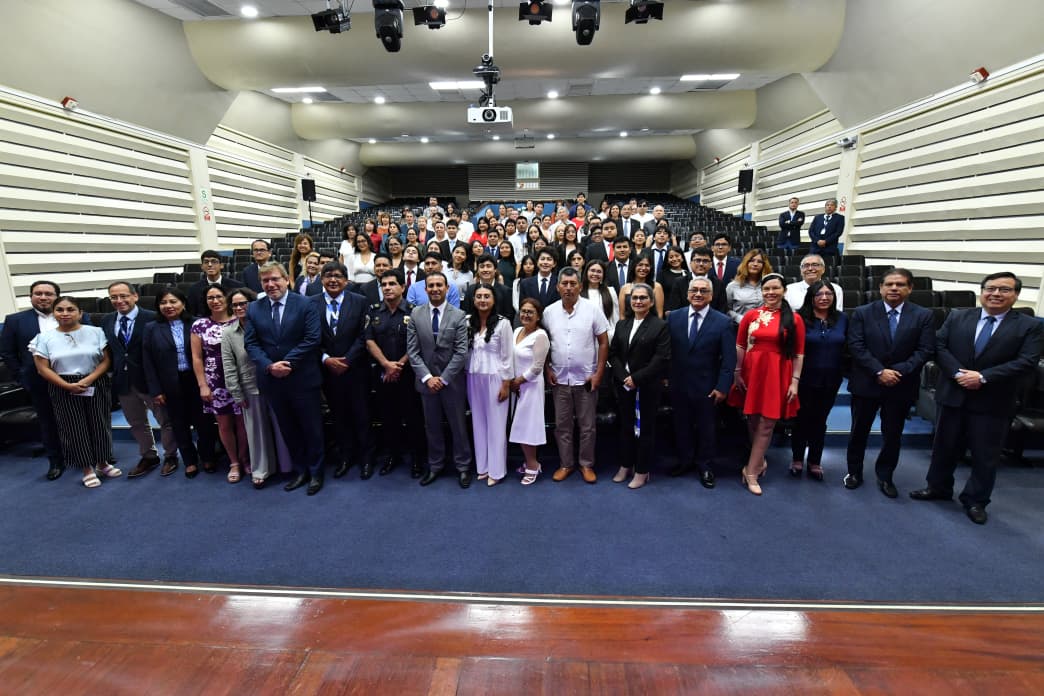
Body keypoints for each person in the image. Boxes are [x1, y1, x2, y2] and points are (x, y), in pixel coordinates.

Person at [911, 272, 1044, 525]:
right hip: (954, 392)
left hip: (994, 399)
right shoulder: (958, 316)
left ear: (1016, 295)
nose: (996, 294)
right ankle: (938, 487)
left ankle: (975, 500)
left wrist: (982, 377)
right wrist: (958, 373)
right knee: (944, 447)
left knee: (985, 455)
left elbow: (1027, 361)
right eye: (990, 288)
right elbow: (939, 346)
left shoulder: (1029, 326)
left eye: (1004, 290)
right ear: (982, 292)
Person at [844, 268, 934, 497]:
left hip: (900, 384)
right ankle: (854, 472)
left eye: (900, 284)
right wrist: (879, 371)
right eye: (889, 284)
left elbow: (925, 350)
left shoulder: (923, 315)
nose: (894, 288)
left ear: (910, 288)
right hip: (867, 382)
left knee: (893, 435)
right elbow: (856, 346)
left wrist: (896, 372)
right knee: (858, 431)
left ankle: (885, 476)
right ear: (881, 288)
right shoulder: (863, 312)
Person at [245, 262, 325, 495]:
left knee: (312, 428)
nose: (270, 284)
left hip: (302, 378)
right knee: (288, 429)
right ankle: (300, 470)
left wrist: (286, 363)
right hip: (273, 380)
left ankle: (316, 472)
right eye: (265, 281)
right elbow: (251, 343)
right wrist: (270, 366)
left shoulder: (306, 304)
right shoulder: (254, 308)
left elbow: (312, 339)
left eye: (275, 279)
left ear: (286, 280)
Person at [728, 273, 805, 496]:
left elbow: (799, 353)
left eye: (775, 288)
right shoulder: (751, 315)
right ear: (761, 292)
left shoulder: (795, 319)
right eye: (766, 289)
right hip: (752, 371)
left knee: (767, 423)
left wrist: (795, 382)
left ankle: (751, 472)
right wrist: (737, 373)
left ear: (784, 290)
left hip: (778, 373)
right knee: (752, 420)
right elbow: (740, 346)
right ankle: (759, 461)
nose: (771, 292)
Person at [30, 296, 118, 488]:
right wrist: (66, 385)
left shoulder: (96, 332)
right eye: (60, 310)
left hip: (94, 381)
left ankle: (103, 463)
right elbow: (42, 369)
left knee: (100, 423)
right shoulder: (43, 338)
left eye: (70, 309)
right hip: (63, 385)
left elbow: (106, 361)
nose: (65, 313)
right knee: (74, 428)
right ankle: (87, 469)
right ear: (54, 313)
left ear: (80, 313)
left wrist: (88, 379)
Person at [102, 281, 177, 478]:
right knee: (136, 423)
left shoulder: (153, 318)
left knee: (165, 420)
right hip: (124, 381)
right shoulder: (107, 320)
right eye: (114, 297)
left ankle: (171, 456)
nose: (119, 300)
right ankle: (149, 456)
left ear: (135, 296)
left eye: (123, 296)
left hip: (151, 380)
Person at [407, 272, 473, 488]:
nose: (435, 289)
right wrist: (428, 378)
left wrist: (443, 379)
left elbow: (461, 352)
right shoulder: (416, 314)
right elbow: (413, 352)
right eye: (431, 285)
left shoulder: (458, 315)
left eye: (439, 285)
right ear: (425, 289)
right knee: (432, 427)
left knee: (458, 426)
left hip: (451, 382)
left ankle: (463, 467)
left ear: (447, 288)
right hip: (426, 382)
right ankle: (435, 465)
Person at [143, 287, 218, 478]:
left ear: (183, 303)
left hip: (197, 379)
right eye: (163, 302)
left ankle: (208, 456)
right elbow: (148, 361)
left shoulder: (197, 323)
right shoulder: (151, 328)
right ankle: (190, 461)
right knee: (178, 424)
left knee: (204, 422)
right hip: (169, 383)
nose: (168, 306)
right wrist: (155, 390)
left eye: (173, 301)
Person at [667, 278, 735, 488]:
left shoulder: (723, 322)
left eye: (703, 291)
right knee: (681, 425)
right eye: (694, 290)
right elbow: (666, 352)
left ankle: (705, 465)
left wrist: (722, 387)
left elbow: (729, 359)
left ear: (711, 296)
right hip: (678, 383)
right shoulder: (673, 317)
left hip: (708, 386)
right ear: (687, 294)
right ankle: (685, 460)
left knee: (707, 427)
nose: (698, 294)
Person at [544, 267, 610, 484]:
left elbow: (603, 342)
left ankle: (586, 464)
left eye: (573, 284)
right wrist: (547, 368)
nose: (569, 288)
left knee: (587, 426)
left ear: (580, 286)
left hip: (586, 379)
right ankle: (566, 464)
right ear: (558, 287)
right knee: (562, 426)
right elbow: (543, 343)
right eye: (565, 284)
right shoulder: (549, 312)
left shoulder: (592, 310)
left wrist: (599, 373)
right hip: (559, 379)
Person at [313, 261, 375, 479]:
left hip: (356, 370)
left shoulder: (360, 301)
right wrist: (326, 359)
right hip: (328, 371)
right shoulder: (311, 303)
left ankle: (367, 459)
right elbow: (310, 336)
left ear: (346, 280)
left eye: (338, 276)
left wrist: (347, 360)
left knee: (362, 415)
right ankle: (346, 457)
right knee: (339, 417)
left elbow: (364, 335)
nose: (333, 280)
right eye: (328, 275)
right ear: (322, 279)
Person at [221, 287, 287, 488]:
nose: (239, 308)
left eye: (243, 303)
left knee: (282, 427)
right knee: (256, 433)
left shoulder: (267, 324)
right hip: (249, 387)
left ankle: (287, 466)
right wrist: (236, 392)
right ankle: (261, 470)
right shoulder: (228, 333)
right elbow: (228, 365)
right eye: (235, 305)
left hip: (275, 384)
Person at [1, 280, 67, 479]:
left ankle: (89, 456)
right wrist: (22, 376)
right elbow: (8, 352)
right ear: (31, 296)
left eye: (48, 294)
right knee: (47, 421)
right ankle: (56, 461)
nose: (43, 297)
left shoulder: (72, 314)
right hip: (37, 381)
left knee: (80, 418)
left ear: (57, 297)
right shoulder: (15, 320)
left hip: (74, 377)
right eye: (38, 293)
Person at [609, 283, 670, 490]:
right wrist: (624, 377)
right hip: (624, 385)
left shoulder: (659, 326)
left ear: (651, 302)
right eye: (634, 298)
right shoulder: (622, 324)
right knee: (625, 426)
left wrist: (636, 378)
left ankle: (642, 471)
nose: (638, 301)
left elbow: (661, 358)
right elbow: (613, 354)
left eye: (643, 298)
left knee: (645, 429)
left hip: (647, 386)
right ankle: (626, 465)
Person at [366, 270, 424, 478]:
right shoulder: (374, 311)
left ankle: (417, 458)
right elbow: (369, 340)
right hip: (383, 374)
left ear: (402, 287)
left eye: (392, 284)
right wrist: (386, 364)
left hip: (407, 374)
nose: (388, 288)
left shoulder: (414, 311)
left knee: (413, 417)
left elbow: (418, 341)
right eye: (384, 284)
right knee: (388, 417)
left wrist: (398, 366)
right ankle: (393, 455)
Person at [791, 281, 848, 481]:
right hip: (803, 378)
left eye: (828, 294)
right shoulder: (799, 318)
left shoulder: (842, 319)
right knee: (801, 419)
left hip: (831, 379)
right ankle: (797, 459)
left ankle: (815, 461)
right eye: (819, 294)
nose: (824, 297)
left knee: (820, 420)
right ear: (811, 297)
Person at [191, 285, 248, 483]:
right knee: (224, 424)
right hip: (215, 381)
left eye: (219, 296)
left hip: (240, 378)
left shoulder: (240, 319)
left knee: (243, 423)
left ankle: (245, 458)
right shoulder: (199, 325)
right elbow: (197, 357)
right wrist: (202, 385)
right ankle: (234, 462)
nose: (215, 301)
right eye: (210, 298)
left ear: (227, 298)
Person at [466, 284, 514, 486]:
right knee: (478, 423)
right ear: (473, 300)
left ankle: (497, 470)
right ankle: (483, 467)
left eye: (487, 296)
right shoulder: (468, 321)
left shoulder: (503, 323)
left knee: (496, 425)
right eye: (479, 296)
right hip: (473, 376)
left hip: (496, 378)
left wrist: (506, 384)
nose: (482, 300)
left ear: (494, 300)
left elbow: (508, 356)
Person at [509, 298, 550, 485]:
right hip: (517, 386)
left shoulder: (541, 336)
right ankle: (529, 461)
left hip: (530, 386)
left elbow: (537, 367)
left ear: (538, 316)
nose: (525, 315)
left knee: (528, 428)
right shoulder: (517, 331)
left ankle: (533, 466)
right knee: (520, 426)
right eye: (523, 311)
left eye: (530, 312)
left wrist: (518, 381)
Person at [667, 247, 727, 315]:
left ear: (711, 264)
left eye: (705, 261)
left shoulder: (718, 284)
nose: (701, 264)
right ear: (690, 263)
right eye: (697, 260)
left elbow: (722, 310)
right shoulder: (679, 282)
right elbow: (675, 309)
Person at [187, 250, 244, 317]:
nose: (210, 265)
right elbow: (191, 314)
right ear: (202, 266)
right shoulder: (194, 289)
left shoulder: (236, 286)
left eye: (214, 262)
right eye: (206, 262)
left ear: (221, 265)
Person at [725, 248, 774, 325]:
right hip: (740, 326)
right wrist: (741, 319)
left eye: (759, 262)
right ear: (746, 263)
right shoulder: (733, 286)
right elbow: (727, 309)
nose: (755, 264)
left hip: (766, 326)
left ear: (764, 265)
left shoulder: (770, 285)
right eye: (751, 260)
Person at [462, 255, 514, 323]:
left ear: (495, 269)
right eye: (482, 267)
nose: (485, 270)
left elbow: (509, 316)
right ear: (477, 270)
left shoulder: (506, 291)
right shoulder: (470, 290)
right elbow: (466, 314)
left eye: (488, 266)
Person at [581, 259, 619, 341]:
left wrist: (613, 335)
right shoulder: (579, 292)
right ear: (586, 272)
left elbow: (615, 318)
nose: (595, 274)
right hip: (584, 337)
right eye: (592, 270)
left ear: (603, 275)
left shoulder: (610, 291)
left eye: (599, 272)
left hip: (607, 336)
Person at [619, 255, 665, 319]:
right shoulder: (624, 288)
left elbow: (659, 314)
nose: (643, 268)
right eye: (640, 265)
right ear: (634, 267)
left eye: (647, 265)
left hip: (651, 324)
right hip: (629, 324)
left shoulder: (657, 287)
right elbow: (622, 315)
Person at [661, 247, 692, 312]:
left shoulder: (688, 274)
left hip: (685, 310)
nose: (674, 259)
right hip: (668, 311)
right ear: (667, 260)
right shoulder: (662, 274)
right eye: (671, 257)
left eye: (677, 256)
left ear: (682, 258)